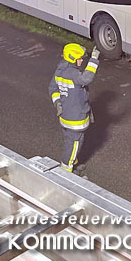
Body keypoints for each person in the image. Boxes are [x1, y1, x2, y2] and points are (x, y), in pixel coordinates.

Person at [48, 43, 100, 175]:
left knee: (71, 142)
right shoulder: (73, 74)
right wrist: (94, 59)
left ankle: (73, 161)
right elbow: (87, 78)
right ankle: (66, 171)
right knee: (74, 143)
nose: (82, 60)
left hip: (65, 115)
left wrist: (58, 103)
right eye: (79, 58)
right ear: (72, 58)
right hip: (75, 119)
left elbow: (53, 89)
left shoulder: (60, 70)